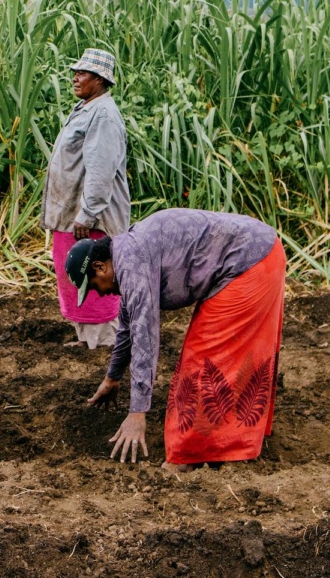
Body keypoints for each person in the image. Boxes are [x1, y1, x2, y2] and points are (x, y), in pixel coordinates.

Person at [69, 209, 286, 471]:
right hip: (257, 255)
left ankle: (188, 456)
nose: (100, 293)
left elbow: (145, 337)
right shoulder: (127, 255)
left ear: (100, 266)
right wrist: (112, 377)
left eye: (93, 286)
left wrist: (137, 413)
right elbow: (127, 327)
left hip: (248, 263)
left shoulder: (131, 263)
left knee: (203, 363)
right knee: (216, 359)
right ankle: (224, 444)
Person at [41, 47, 131, 348]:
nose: (75, 78)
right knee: (75, 276)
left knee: (94, 278)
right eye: (75, 72)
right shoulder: (88, 108)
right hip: (74, 217)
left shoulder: (103, 114)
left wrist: (87, 213)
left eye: (83, 73)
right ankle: (87, 341)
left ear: (101, 80)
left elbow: (101, 169)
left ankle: (104, 346)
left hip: (90, 220)